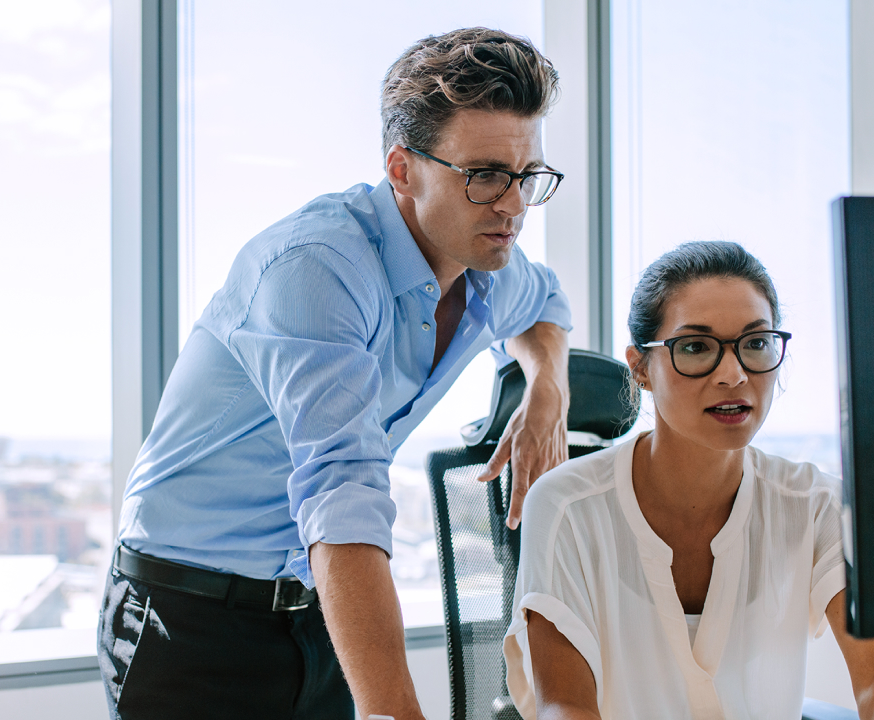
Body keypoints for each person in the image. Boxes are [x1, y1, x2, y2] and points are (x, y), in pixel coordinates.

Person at [98, 28, 574, 720]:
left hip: (317, 610)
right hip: (188, 612)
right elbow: (343, 494)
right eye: (485, 176)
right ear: (403, 170)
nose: (514, 206)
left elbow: (547, 307)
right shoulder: (317, 268)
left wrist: (546, 390)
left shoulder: (488, 265)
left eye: (527, 176)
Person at [503, 241, 874, 720]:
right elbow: (565, 705)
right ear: (641, 366)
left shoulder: (815, 504)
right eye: (695, 347)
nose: (733, 375)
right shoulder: (565, 506)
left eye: (755, 344)